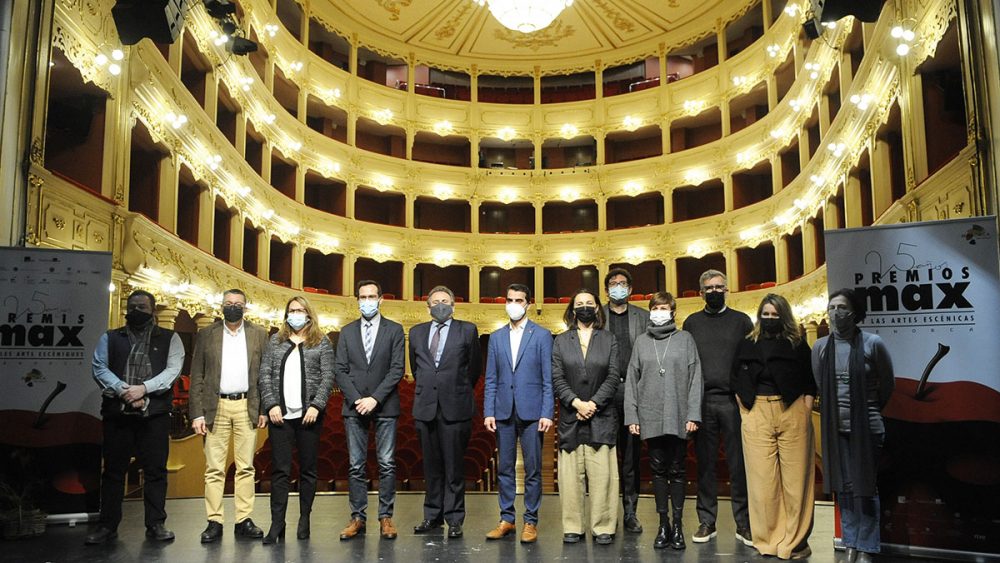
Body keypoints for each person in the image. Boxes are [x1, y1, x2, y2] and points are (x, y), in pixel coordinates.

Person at [85, 290, 184, 545]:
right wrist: (124, 390)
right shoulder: (111, 337)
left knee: (155, 471)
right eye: (132, 306)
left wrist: (144, 389)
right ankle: (107, 526)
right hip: (118, 413)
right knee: (114, 471)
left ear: (152, 310)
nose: (136, 311)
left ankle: (156, 524)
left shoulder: (171, 338)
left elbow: (173, 370)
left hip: (154, 415)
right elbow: (99, 367)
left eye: (142, 306)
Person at [812, 288, 894, 563]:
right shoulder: (820, 346)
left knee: (865, 486)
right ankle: (850, 542)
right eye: (832, 307)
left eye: (842, 307)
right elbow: (819, 383)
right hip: (835, 428)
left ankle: (867, 546)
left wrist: (867, 410)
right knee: (844, 486)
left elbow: (887, 384)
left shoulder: (873, 343)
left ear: (855, 312)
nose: (836, 312)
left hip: (868, 426)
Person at [733, 294, 816, 560]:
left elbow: (810, 378)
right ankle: (768, 541)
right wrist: (745, 410)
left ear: (784, 316)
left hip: (791, 410)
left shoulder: (797, 343)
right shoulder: (748, 343)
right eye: (765, 314)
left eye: (774, 315)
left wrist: (805, 406)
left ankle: (794, 542)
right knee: (762, 483)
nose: (769, 319)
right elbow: (735, 377)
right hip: (756, 411)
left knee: (796, 481)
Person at [189, 289, 268, 543]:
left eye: (238, 304)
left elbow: (265, 375)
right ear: (221, 306)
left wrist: (265, 408)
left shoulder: (259, 334)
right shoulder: (206, 334)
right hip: (216, 406)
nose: (233, 307)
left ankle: (243, 519)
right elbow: (197, 376)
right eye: (229, 303)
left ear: (246, 308)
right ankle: (214, 520)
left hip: (247, 405)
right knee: (214, 468)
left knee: (246, 467)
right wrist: (197, 414)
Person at [624, 292, 702, 550]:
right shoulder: (641, 342)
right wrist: (632, 416)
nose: (659, 311)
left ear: (673, 312)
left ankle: (678, 525)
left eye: (664, 308)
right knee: (657, 471)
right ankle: (663, 524)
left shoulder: (685, 339)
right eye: (655, 307)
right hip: (650, 415)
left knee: (678, 471)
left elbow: (695, 379)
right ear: (650, 311)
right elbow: (632, 383)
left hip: (679, 415)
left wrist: (693, 414)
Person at [682, 269, 753, 545]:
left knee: (739, 466)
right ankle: (706, 521)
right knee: (706, 466)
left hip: (733, 402)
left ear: (727, 289)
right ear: (701, 293)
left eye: (719, 287)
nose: (714, 291)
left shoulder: (742, 321)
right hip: (702, 402)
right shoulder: (691, 323)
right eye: (709, 288)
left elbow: (749, 362)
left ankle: (744, 523)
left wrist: (745, 397)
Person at [258, 295, 336, 544]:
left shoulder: (321, 342)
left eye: (301, 310)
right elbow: (265, 374)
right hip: (280, 417)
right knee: (280, 471)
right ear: (286, 314)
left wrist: (316, 405)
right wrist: (270, 404)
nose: (296, 314)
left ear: (309, 314)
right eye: (292, 310)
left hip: (309, 417)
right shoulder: (276, 341)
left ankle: (304, 518)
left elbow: (327, 377)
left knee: (308, 470)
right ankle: (277, 523)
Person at [334, 280, 406, 541]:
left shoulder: (395, 330)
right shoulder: (347, 331)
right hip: (354, 408)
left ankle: (385, 517)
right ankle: (357, 518)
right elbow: (339, 369)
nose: (367, 300)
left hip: (385, 405)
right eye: (363, 296)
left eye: (372, 296)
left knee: (386, 464)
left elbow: (397, 368)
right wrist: (357, 399)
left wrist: (374, 398)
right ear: (357, 300)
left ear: (381, 299)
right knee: (355, 466)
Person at [409, 286, 482, 539]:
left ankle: (454, 518)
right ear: (427, 307)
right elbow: (417, 369)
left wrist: (454, 389)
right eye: (435, 301)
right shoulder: (416, 332)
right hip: (426, 407)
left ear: (453, 305)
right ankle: (432, 515)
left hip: (456, 405)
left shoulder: (468, 330)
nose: (440, 305)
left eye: (445, 301)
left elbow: (473, 370)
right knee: (431, 467)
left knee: (454, 467)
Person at [483, 284, 554, 544]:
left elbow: (548, 379)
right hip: (503, 411)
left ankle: (531, 522)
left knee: (533, 470)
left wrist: (547, 412)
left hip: (532, 411)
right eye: (509, 299)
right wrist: (488, 411)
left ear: (528, 303)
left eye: (518, 300)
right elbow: (491, 378)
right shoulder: (496, 337)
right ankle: (507, 519)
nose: (513, 304)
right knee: (504, 469)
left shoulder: (542, 335)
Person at [551, 289, 621, 545]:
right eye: (579, 303)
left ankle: (603, 526)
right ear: (572, 310)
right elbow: (557, 377)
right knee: (570, 478)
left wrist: (593, 403)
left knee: (603, 476)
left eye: (589, 303)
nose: (584, 307)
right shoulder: (560, 340)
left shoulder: (609, 339)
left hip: (601, 416)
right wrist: (577, 402)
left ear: (597, 308)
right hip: (571, 416)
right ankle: (573, 525)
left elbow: (614, 376)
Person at [602, 267, 650, 534]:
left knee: (631, 458)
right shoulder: (598, 318)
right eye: (613, 283)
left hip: (634, 393)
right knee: (606, 457)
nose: (618, 287)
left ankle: (630, 512)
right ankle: (606, 513)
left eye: (622, 283)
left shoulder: (643, 318)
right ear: (607, 289)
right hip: (605, 395)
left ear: (630, 290)